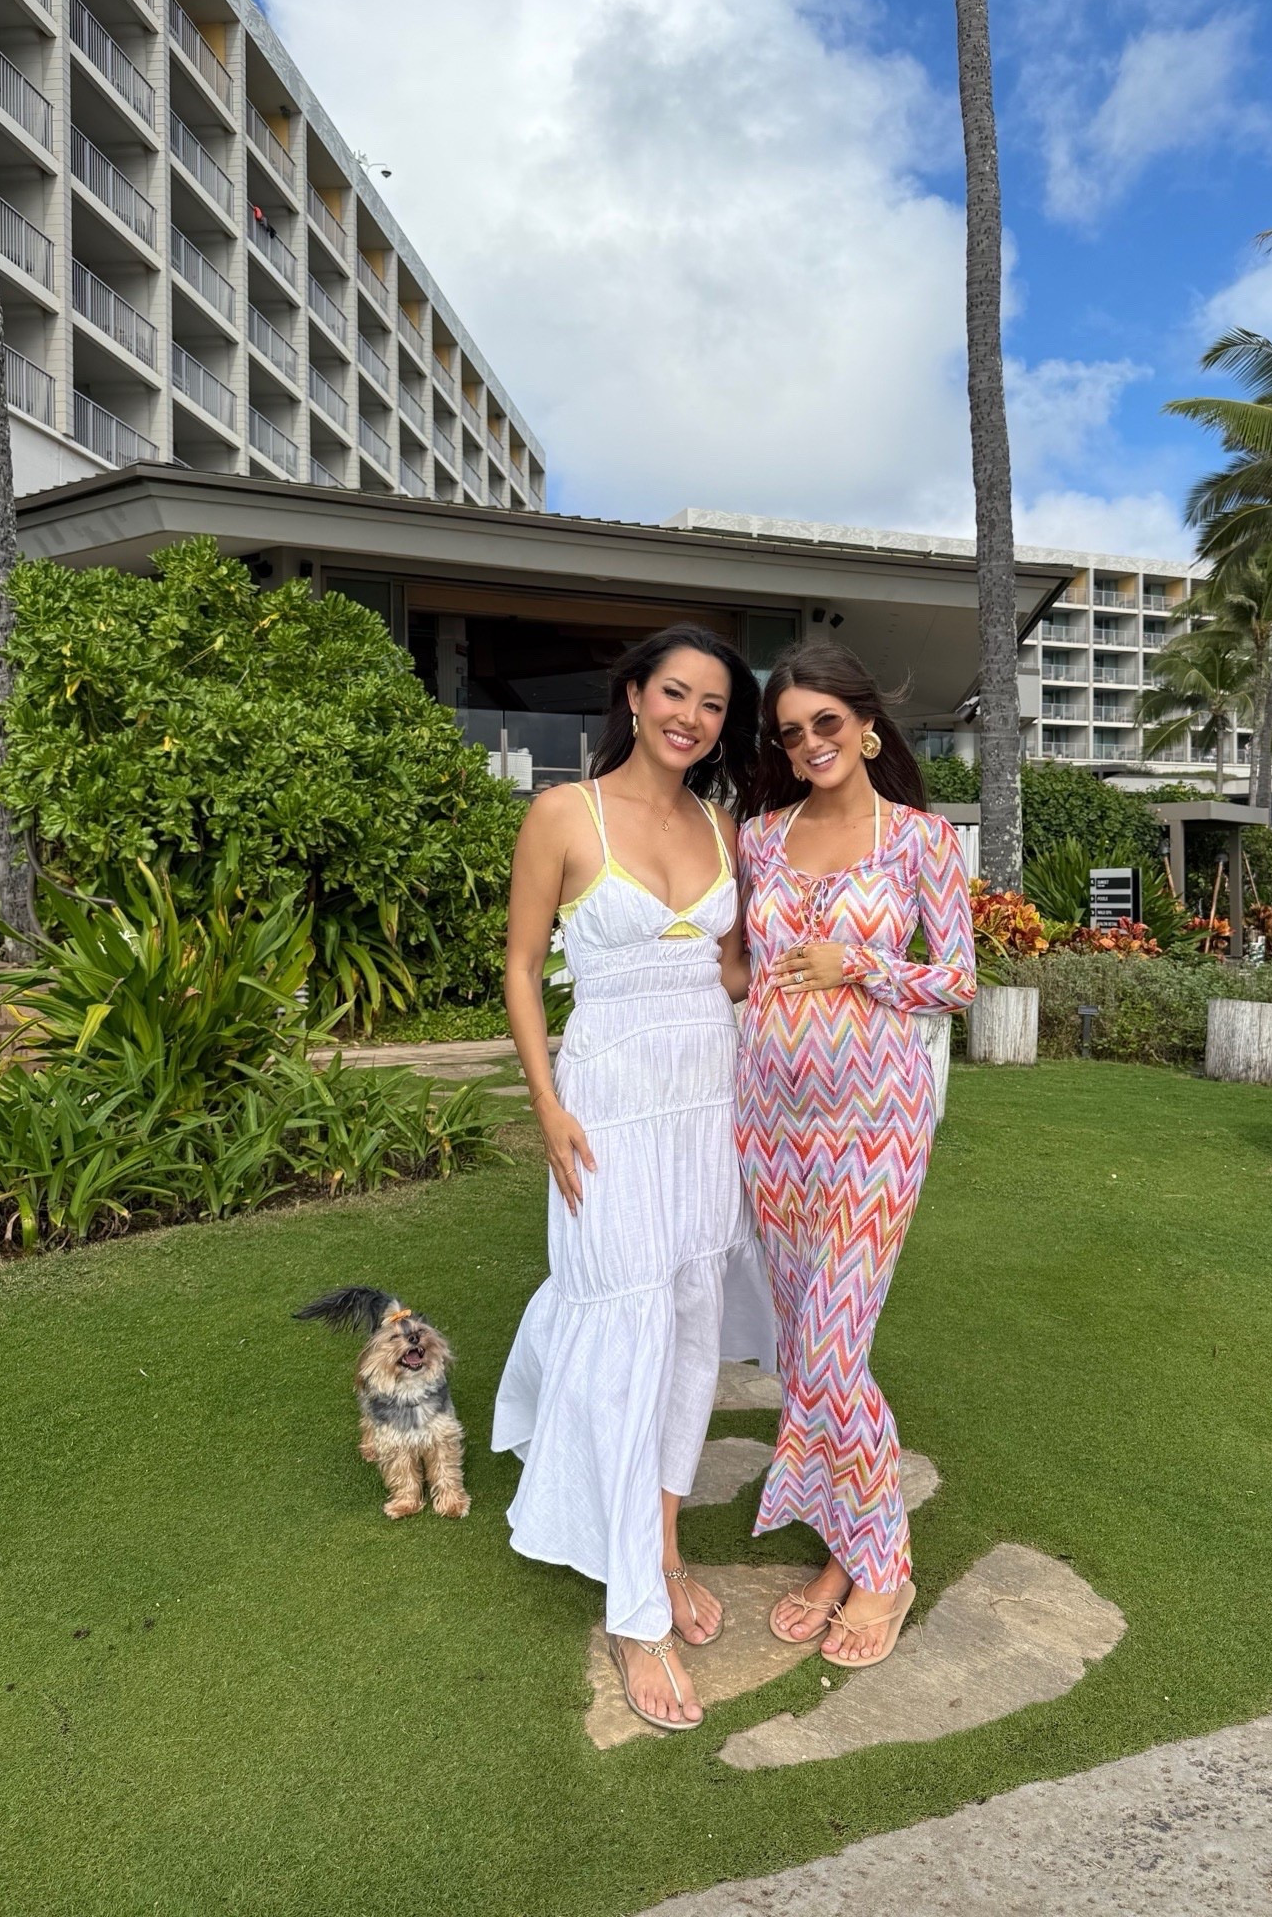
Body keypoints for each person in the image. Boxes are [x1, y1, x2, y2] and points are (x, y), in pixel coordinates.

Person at [493, 625, 774, 1732]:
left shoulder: (724, 825)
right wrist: (547, 1106)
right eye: (676, 692)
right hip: (605, 1109)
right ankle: (634, 1611)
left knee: (692, 1330)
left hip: (706, 1109)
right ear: (634, 694)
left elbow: (732, 968)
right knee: (623, 1331)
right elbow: (519, 963)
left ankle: (659, 1542)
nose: (692, 716)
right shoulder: (564, 814)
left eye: (712, 703)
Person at [735, 641, 978, 1668]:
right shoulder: (756, 837)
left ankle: (884, 1565)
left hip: (876, 1119)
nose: (810, 743)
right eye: (791, 731)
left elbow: (959, 980)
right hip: (770, 1120)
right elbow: (734, 965)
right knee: (803, 1353)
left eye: (827, 721)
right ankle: (840, 1545)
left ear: (868, 725)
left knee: (834, 1349)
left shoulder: (922, 840)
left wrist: (859, 963)